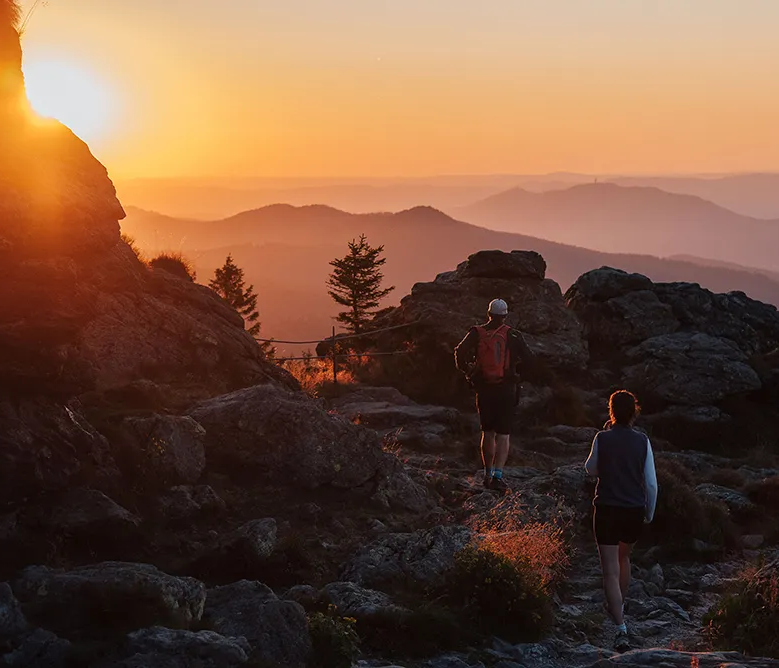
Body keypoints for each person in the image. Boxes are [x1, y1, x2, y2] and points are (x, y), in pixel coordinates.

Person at [585, 390, 659, 653]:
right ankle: (620, 607)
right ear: (634, 413)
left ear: (611, 411)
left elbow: (590, 469)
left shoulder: (602, 438)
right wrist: (649, 513)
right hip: (633, 510)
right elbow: (650, 483)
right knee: (623, 559)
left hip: (606, 508)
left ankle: (620, 628)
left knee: (609, 570)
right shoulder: (643, 441)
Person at [454, 298, 536, 493]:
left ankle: (487, 473)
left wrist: (468, 372)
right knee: (504, 435)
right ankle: (498, 476)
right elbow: (530, 359)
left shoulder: (476, 333)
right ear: (505, 315)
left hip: (484, 389)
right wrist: (518, 376)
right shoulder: (513, 335)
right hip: (506, 390)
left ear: (489, 314)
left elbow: (459, 352)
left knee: (487, 432)